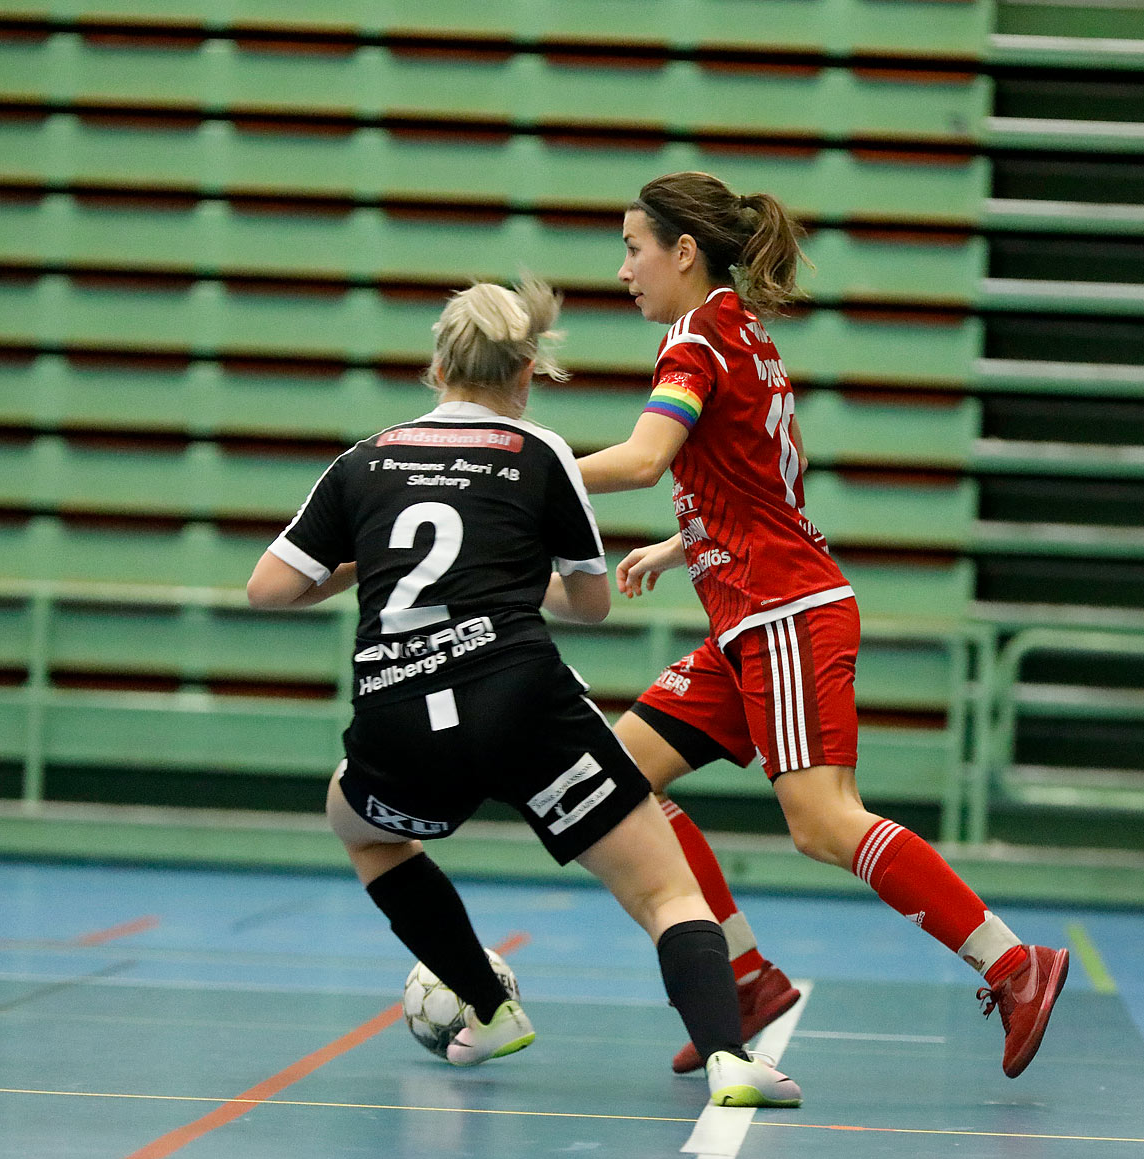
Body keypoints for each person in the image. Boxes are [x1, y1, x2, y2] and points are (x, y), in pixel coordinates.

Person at [245, 278, 799, 1108]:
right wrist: (503, 580)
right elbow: (590, 603)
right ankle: (729, 1058)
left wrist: (370, 564)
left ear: (436, 365)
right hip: (523, 704)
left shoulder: (362, 460)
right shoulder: (539, 454)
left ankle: (492, 1008)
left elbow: (268, 590)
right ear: (528, 369)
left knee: (362, 830)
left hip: (399, 712)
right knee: (666, 890)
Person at [577, 172, 1069, 1080]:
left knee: (822, 821)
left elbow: (648, 458)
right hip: (749, 615)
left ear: (684, 252)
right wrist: (681, 546)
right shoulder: (740, 334)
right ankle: (747, 975)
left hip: (784, 615)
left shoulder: (695, 341)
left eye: (632, 248)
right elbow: (755, 485)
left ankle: (1013, 963)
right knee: (613, 781)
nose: (622, 270)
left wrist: (533, 473)